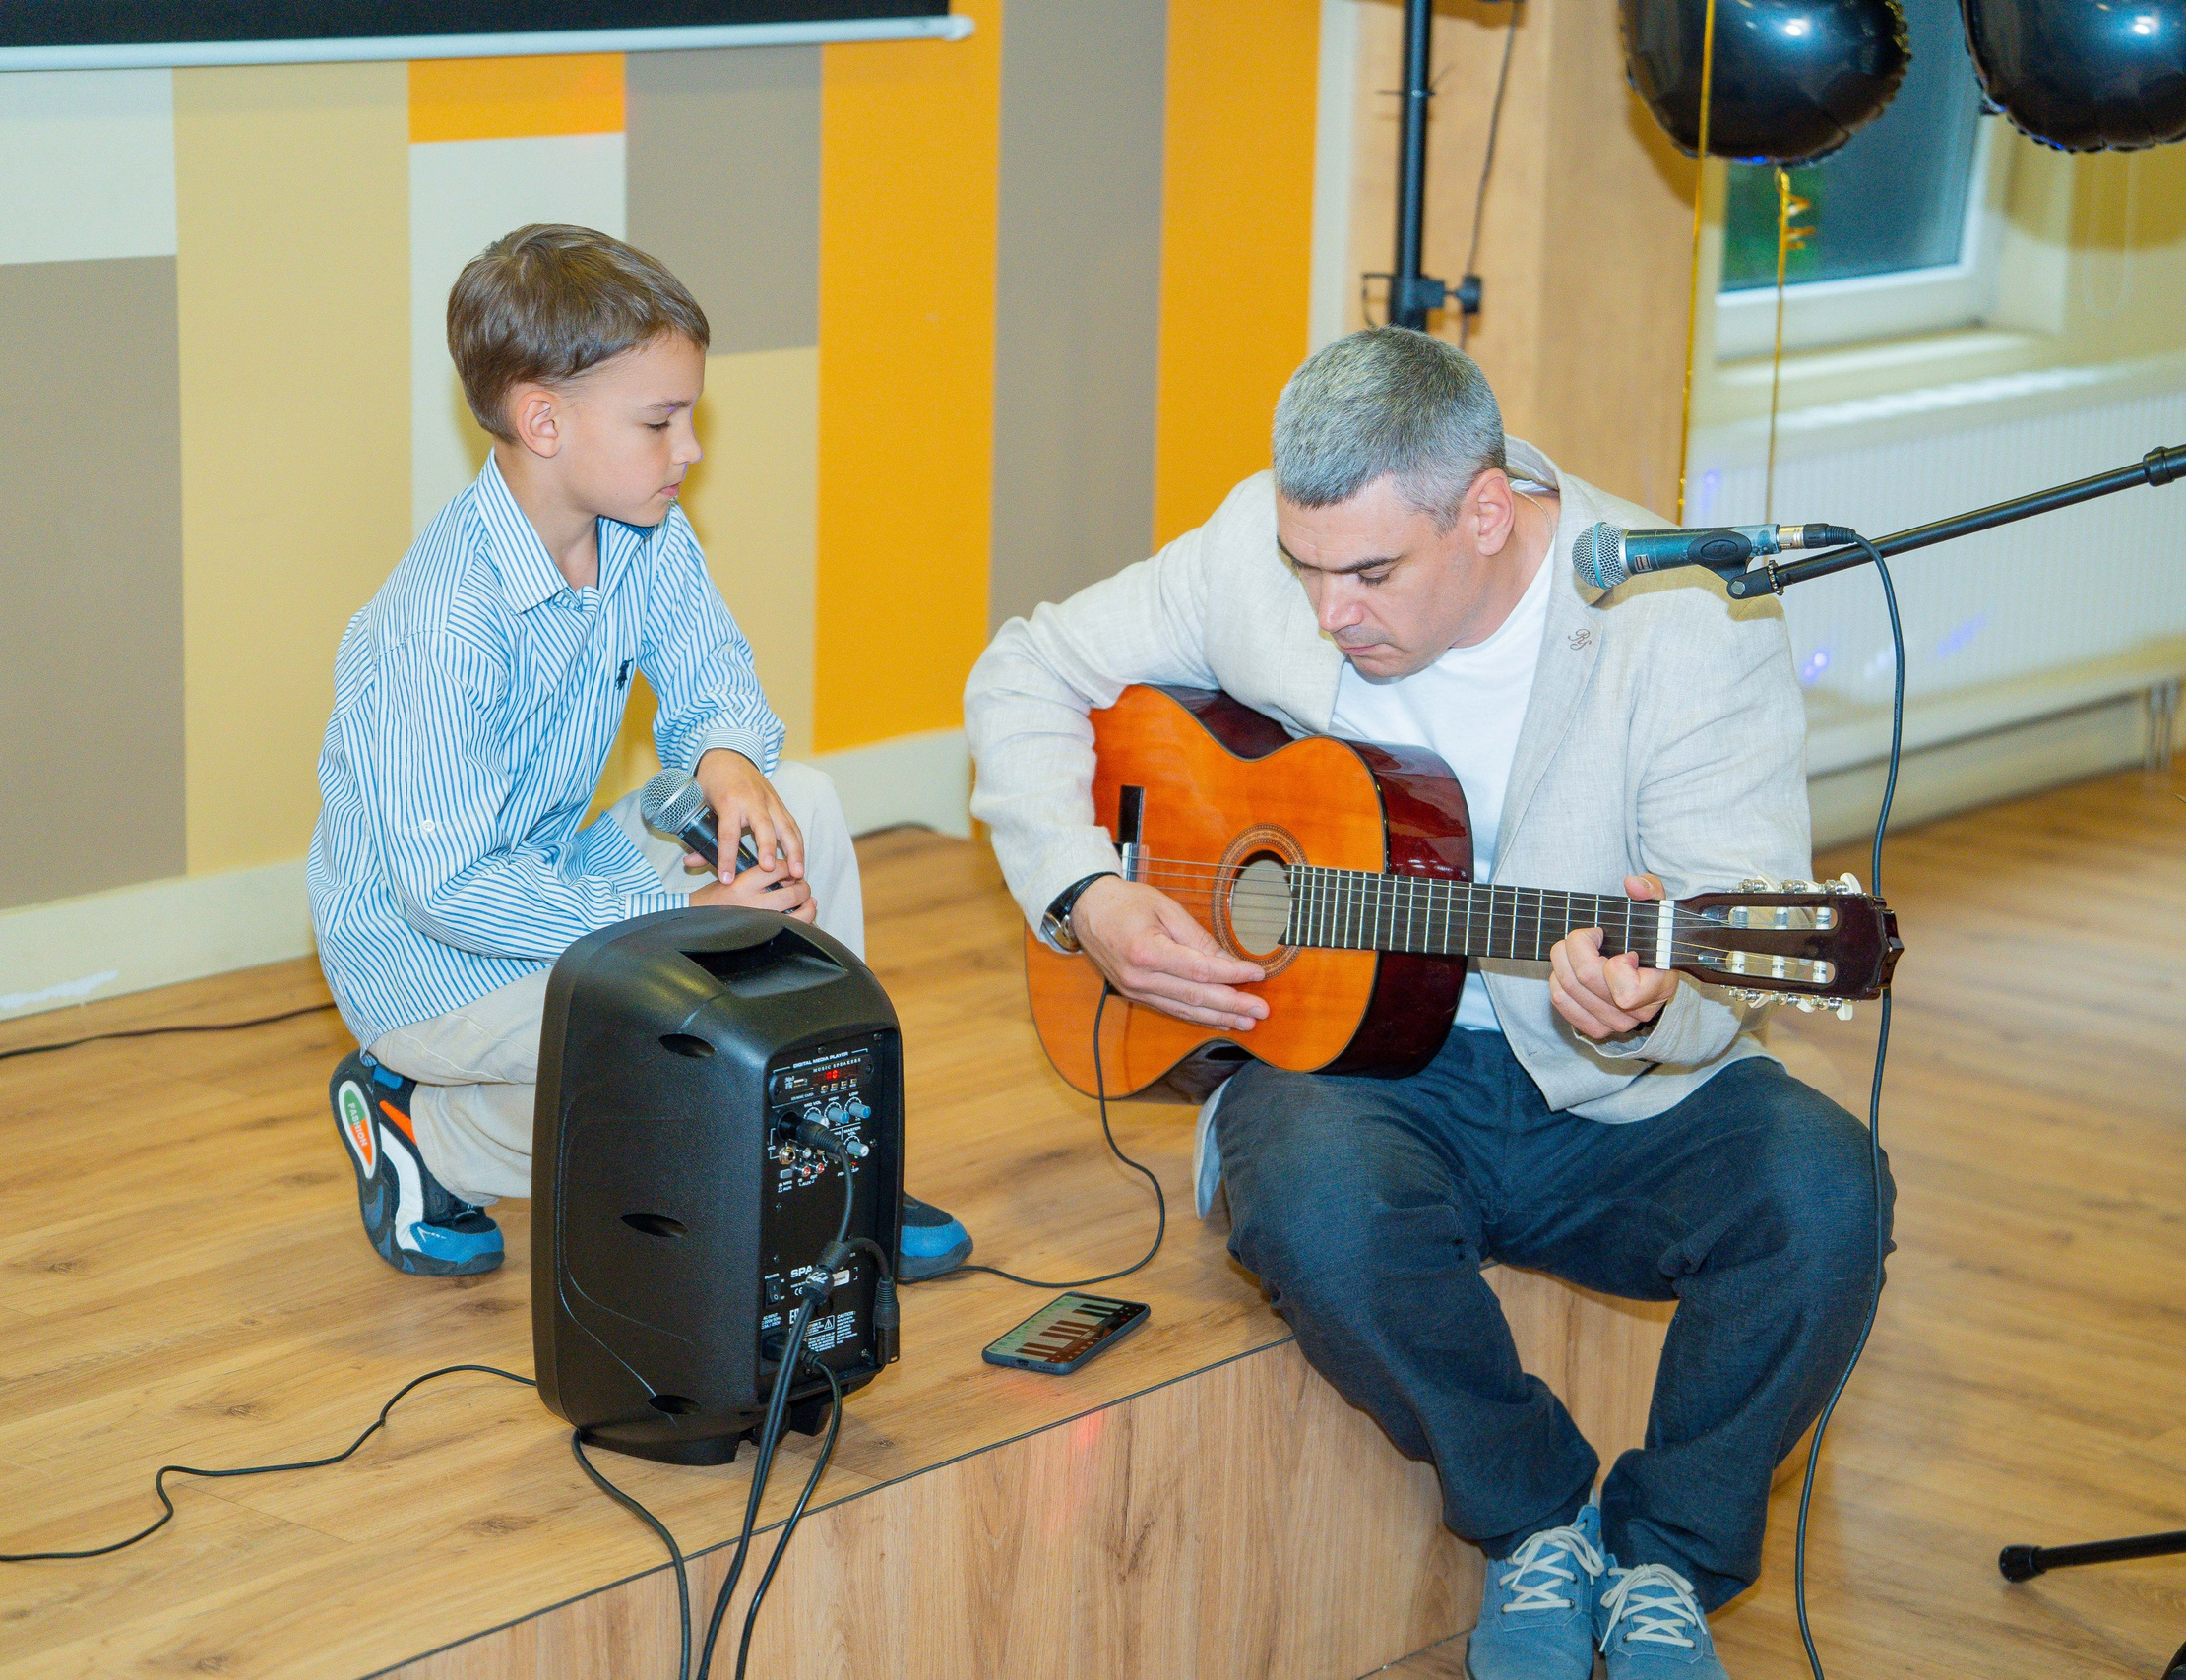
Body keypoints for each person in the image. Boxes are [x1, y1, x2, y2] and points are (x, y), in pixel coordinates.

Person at [964, 328, 1891, 1679]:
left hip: (1605, 1086)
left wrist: (1649, 999)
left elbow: (1725, 952)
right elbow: (1026, 669)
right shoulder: (1258, 551)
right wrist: (1087, 893)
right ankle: (1538, 1517)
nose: (1329, 609)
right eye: (1306, 567)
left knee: (1826, 1193)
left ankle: (1665, 1560)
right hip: (1358, 1064)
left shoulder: (1689, 621)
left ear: (1487, 510)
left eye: (1371, 573)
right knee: (1313, 1202)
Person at [310, 224, 969, 1283]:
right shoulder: (437, 627)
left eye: (690, 417)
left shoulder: (646, 531)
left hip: (559, 888)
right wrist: (677, 933)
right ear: (543, 421)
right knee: (682, 1044)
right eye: (660, 421)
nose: (691, 450)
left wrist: (725, 758)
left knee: (800, 798)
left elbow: (712, 674)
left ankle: (826, 1157)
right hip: (434, 963)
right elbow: (448, 890)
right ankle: (424, 1137)